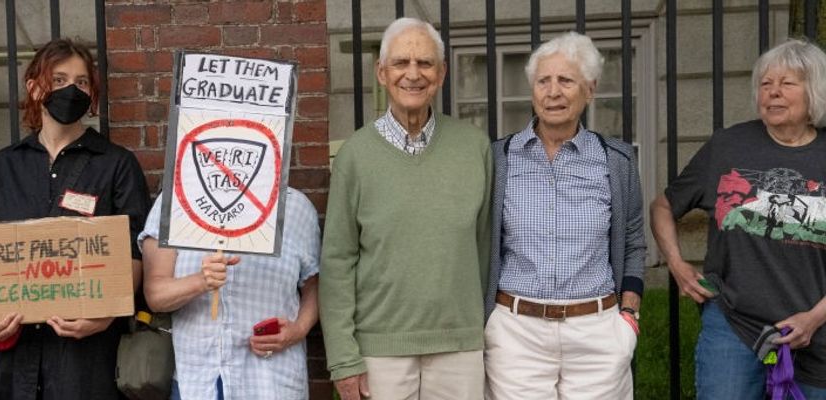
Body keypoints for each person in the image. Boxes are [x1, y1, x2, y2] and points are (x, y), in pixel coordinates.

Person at [320, 17, 491, 400]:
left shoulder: (474, 148)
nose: (413, 74)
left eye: (425, 63)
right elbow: (337, 261)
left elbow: (485, 249)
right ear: (381, 73)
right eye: (401, 63)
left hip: (459, 347)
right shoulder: (355, 156)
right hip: (379, 352)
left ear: (442, 73)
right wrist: (344, 360)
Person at [0, 38, 151, 399]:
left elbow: (134, 252)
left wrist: (106, 315)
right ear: (35, 87)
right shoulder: (5, 165)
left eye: (82, 82)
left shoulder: (117, 164)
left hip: (87, 358)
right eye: (59, 79)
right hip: (20, 356)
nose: (72, 89)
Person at [652, 38, 826, 399]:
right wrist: (677, 264)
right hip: (733, 323)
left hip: (816, 328)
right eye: (765, 84)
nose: (773, 93)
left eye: (786, 84)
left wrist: (814, 318)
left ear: (814, 90)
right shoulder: (728, 146)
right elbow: (665, 206)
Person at [483, 32, 644, 399]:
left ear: (589, 89)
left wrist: (629, 317)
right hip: (516, 334)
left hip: (597, 333)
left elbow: (634, 241)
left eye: (566, 80)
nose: (553, 92)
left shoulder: (615, 161)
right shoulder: (498, 159)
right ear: (532, 90)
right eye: (544, 81)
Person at [139, 188, 320, 400]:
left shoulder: (295, 206)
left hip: (270, 381)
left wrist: (299, 329)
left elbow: (315, 287)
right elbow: (156, 295)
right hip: (198, 382)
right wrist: (200, 281)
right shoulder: (176, 199)